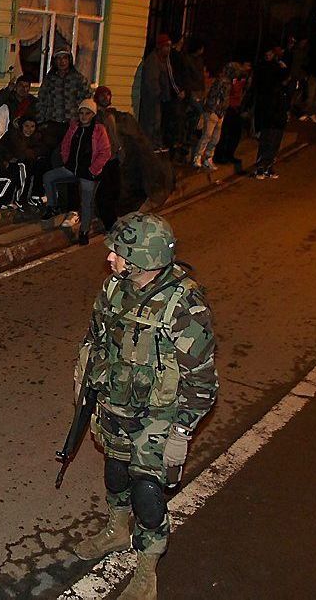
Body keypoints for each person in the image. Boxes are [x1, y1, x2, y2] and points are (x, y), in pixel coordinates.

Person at [72, 212, 218, 600]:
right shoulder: (114, 289)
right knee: (115, 474)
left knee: (147, 494)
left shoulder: (184, 307)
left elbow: (202, 381)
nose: (110, 259)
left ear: (141, 259)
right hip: (115, 404)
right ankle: (117, 529)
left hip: (158, 417)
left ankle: (147, 572)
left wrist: (182, 432)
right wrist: (86, 385)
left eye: (118, 252)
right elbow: (95, 339)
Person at [40, 99, 110, 245]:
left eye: (87, 113)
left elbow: (105, 152)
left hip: (88, 172)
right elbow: (65, 144)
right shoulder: (74, 128)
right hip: (72, 168)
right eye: (81, 113)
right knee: (49, 177)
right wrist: (66, 160)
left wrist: (93, 169)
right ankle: (52, 205)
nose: (84, 116)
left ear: (93, 115)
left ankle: (84, 231)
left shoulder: (98, 130)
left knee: (86, 202)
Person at [36, 49, 92, 149]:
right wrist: (40, 122)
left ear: (69, 60)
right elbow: (42, 101)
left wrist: (84, 121)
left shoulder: (78, 78)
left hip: (72, 123)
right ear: (55, 61)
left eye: (65, 58)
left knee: (70, 150)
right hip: (52, 123)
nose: (62, 61)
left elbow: (87, 100)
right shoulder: (49, 80)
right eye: (59, 58)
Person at [253, 47, 291, 179]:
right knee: (266, 142)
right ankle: (260, 167)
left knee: (275, 144)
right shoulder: (270, 89)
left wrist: (286, 114)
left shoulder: (283, 91)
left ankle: (268, 166)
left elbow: (285, 104)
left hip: (278, 119)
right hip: (269, 118)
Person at [192, 63, 236, 170]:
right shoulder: (221, 82)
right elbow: (213, 96)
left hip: (220, 113)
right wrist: (212, 110)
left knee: (215, 137)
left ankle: (208, 157)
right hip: (214, 112)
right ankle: (197, 157)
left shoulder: (228, 83)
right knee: (207, 135)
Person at [93, 86, 123, 231]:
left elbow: (114, 138)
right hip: (103, 159)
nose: (105, 98)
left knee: (114, 190)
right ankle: (109, 222)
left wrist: (118, 152)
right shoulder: (97, 116)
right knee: (105, 192)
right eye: (102, 95)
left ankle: (112, 220)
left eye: (108, 95)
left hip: (113, 158)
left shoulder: (109, 115)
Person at [0, 114, 46, 205]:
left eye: (32, 126)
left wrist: (33, 153)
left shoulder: (36, 136)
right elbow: (20, 152)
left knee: (41, 163)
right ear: (21, 126)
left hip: (23, 162)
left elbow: (41, 149)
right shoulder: (14, 134)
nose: (29, 129)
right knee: (24, 165)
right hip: (8, 161)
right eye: (26, 126)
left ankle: (35, 195)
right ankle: (20, 199)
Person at [139, 34, 172, 151]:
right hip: (152, 99)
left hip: (157, 98)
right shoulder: (153, 61)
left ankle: (155, 143)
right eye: (166, 46)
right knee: (151, 122)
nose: (168, 49)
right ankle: (149, 145)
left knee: (156, 122)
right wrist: (158, 94)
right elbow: (152, 82)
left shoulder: (162, 60)